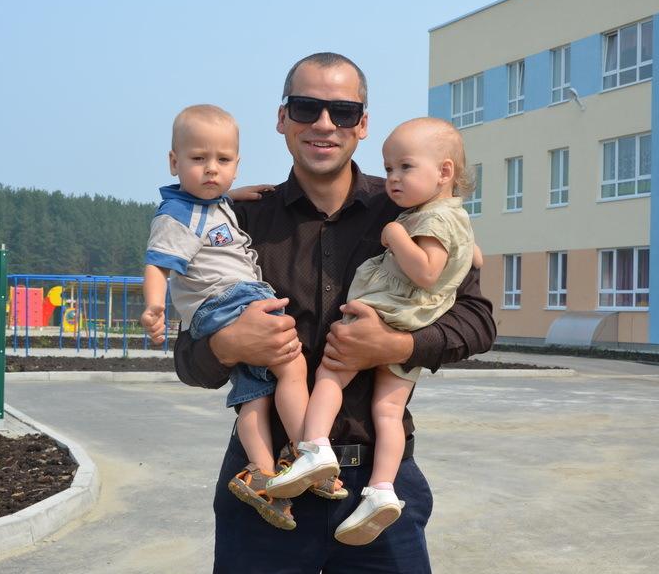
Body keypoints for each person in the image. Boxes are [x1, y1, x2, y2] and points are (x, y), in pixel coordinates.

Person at [170, 53, 496, 574]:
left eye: (342, 111)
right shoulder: (235, 222)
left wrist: (399, 346)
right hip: (268, 486)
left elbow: (478, 320)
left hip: (377, 489)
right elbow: (187, 357)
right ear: (282, 118)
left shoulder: (413, 212)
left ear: (362, 124)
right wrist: (227, 345)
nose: (324, 124)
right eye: (306, 107)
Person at [266, 117, 481, 546]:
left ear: (444, 172)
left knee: (331, 373)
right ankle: (381, 490)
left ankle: (314, 447)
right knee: (388, 411)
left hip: (386, 313)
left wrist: (395, 236)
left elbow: (450, 295)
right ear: (283, 118)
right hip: (415, 318)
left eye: (405, 167)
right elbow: (473, 259)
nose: (394, 178)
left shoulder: (411, 219)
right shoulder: (453, 218)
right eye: (389, 169)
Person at [140, 104, 311, 531]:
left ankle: (263, 473)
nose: (211, 169)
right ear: (174, 162)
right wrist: (155, 305)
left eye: (223, 160)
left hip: (225, 303)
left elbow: (210, 208)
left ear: (236, 164)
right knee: (291, 362)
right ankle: (309, 452)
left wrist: (232, 195)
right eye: (199, 159)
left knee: (254, 392)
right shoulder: (176, 215)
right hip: (228, 301)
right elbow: (158, 264)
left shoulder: (213, 205)